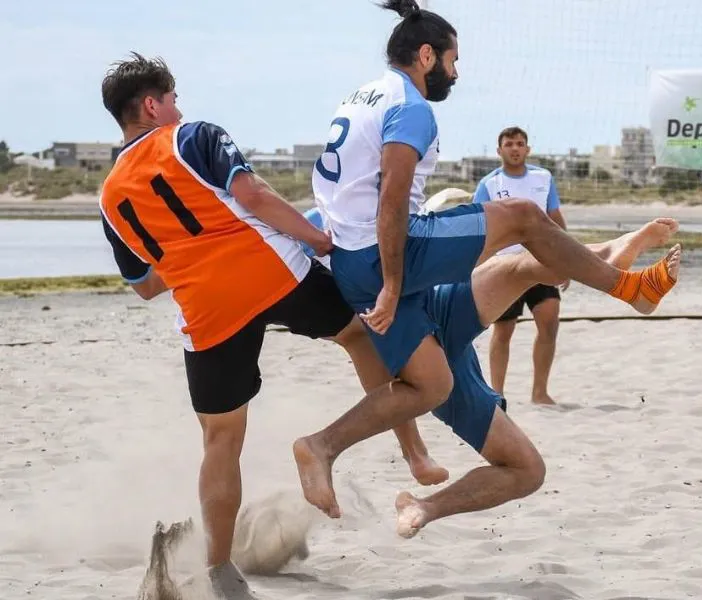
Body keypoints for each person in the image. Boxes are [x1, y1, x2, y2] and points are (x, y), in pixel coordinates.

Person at [296, 0, 679, 519]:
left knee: (435, 382)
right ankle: (627, 286)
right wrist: (392, 283)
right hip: (386, 251)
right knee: (522, 217)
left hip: (355, 260)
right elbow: (392, 201)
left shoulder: (361, 96)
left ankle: (324, 448)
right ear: (427, 56)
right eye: (452, 60)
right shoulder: (411, 107)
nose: (455, 73)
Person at [97, 53, 445, 600]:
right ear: (151, 105)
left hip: (206, 312)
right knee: (359, 335)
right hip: (272, 273)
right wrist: (315, 238)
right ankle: (414, 452)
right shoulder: (191, 135)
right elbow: (253, 195)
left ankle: (218, 568)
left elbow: (144, 284)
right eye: (172, 99)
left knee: (220, 440)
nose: (178, 108)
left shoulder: (109, 196)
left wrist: (191, 260)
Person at [394, 220, 681, 537]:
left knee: (522, 264)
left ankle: (612, 264)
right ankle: (610, 265)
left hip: (435, 305)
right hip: (415, 350)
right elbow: (381, 381)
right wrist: (414, 451)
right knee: (527, 467)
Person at [472, 126, 567, 405]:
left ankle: (540, 392)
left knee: (549, 323)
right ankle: (497, 394)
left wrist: (567, 262)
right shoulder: (489, 184)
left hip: (540, 262)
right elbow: (477, 227)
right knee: (504, 330)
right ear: (499, 150)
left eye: (520, 143)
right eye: (509, 144)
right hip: (505, 266)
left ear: (528, 149)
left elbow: (555, 219)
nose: (515, 148)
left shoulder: (543, 177)